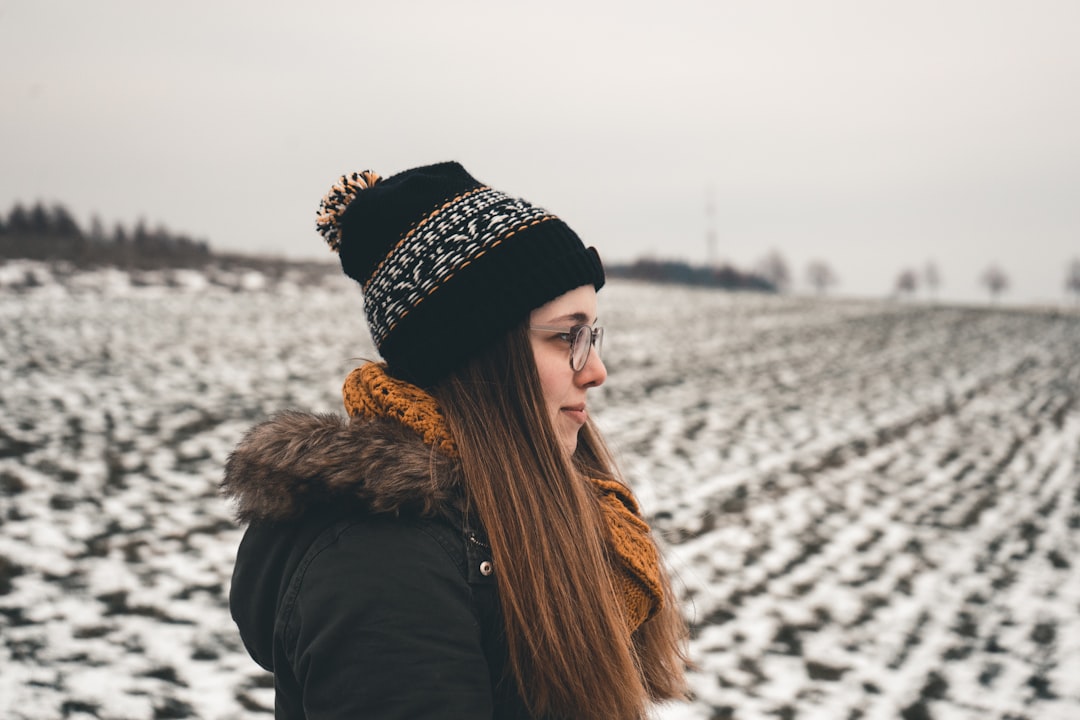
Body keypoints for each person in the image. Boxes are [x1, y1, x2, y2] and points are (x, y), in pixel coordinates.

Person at [222, 161, 688, 719]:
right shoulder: (385, 565)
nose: (596, 370)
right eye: (568, 336)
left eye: (591, 336)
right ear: (476, 353)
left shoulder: (515, 515)